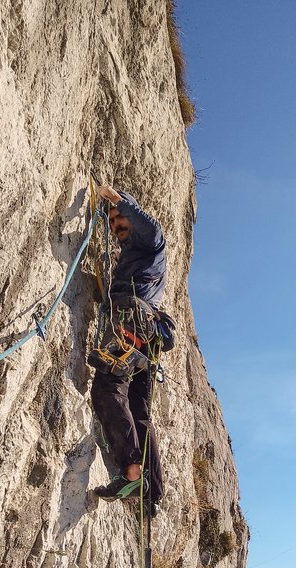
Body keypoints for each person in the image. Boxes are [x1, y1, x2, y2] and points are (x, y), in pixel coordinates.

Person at [90, 185, 166, 510]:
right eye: (112, 220)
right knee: (139, 412)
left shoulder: (151, 242)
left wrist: (118, 200)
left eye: (120, 217)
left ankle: (132, 471)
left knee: (108, 388)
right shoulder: (136, 257)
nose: (116, 222)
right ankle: (153, 495)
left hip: (133, 321)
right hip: (147, 334)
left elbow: (148, 224)